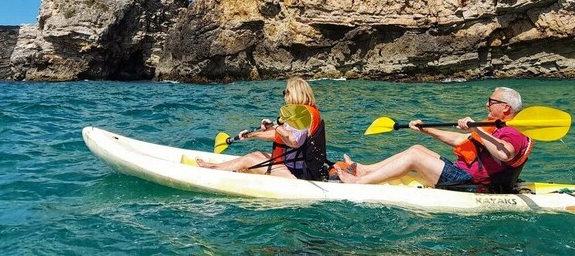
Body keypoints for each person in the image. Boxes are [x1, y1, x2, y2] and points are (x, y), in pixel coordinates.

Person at [338, 87, 533, 192]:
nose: (486, 104)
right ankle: (365, 170)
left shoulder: (513, 132)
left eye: (491, 102)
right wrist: (426, 129)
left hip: (472, 183)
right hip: (462, 174)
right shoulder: (494, 129)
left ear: (506, 108)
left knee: (415, 155)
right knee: (418, 147)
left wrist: (478, 129)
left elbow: (506, 153)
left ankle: (360, 184)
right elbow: (460, 140)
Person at [197, 77, 329, 180]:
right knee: (256, 154)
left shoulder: (303, 116)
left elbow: (294, 141)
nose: (284, 96)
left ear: (293, 93)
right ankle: (216, 167)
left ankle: (212, 170)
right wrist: (252, 135)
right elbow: (282, 136)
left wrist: (277, 126)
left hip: (297, 173)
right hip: (294, 167)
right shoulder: (301, 113)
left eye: (285, 92)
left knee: (249, 160)